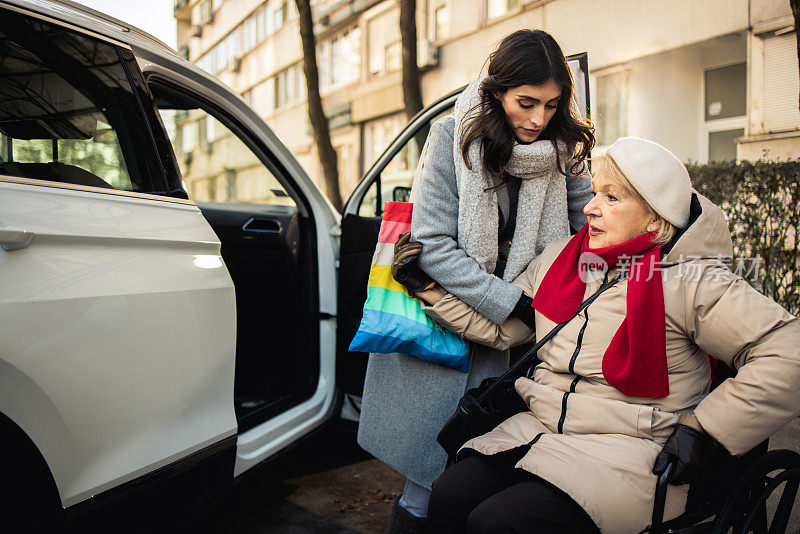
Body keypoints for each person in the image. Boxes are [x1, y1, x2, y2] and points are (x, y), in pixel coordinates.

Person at [392, 136, 800, 533]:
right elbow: (506, 329)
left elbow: (789, 353)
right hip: (541, 427)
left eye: (612, 197)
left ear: (656, 219)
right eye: (594, 192)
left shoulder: (692, 281)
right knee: (448, 495)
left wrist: (706, 428)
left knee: (499, 523)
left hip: (628, 449)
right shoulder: (563, 259)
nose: (589, 208)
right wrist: (429, 288)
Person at [356, 29, 595, 532]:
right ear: (496, 92)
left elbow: (587, 230)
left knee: (486, 485)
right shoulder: (451, 137)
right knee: (425, 486)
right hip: (451, 322)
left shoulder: (564, 147)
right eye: (526, 103)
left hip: (522, 341)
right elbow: (433, 244)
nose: (538, 120)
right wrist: (513, 301)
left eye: (552, 106)